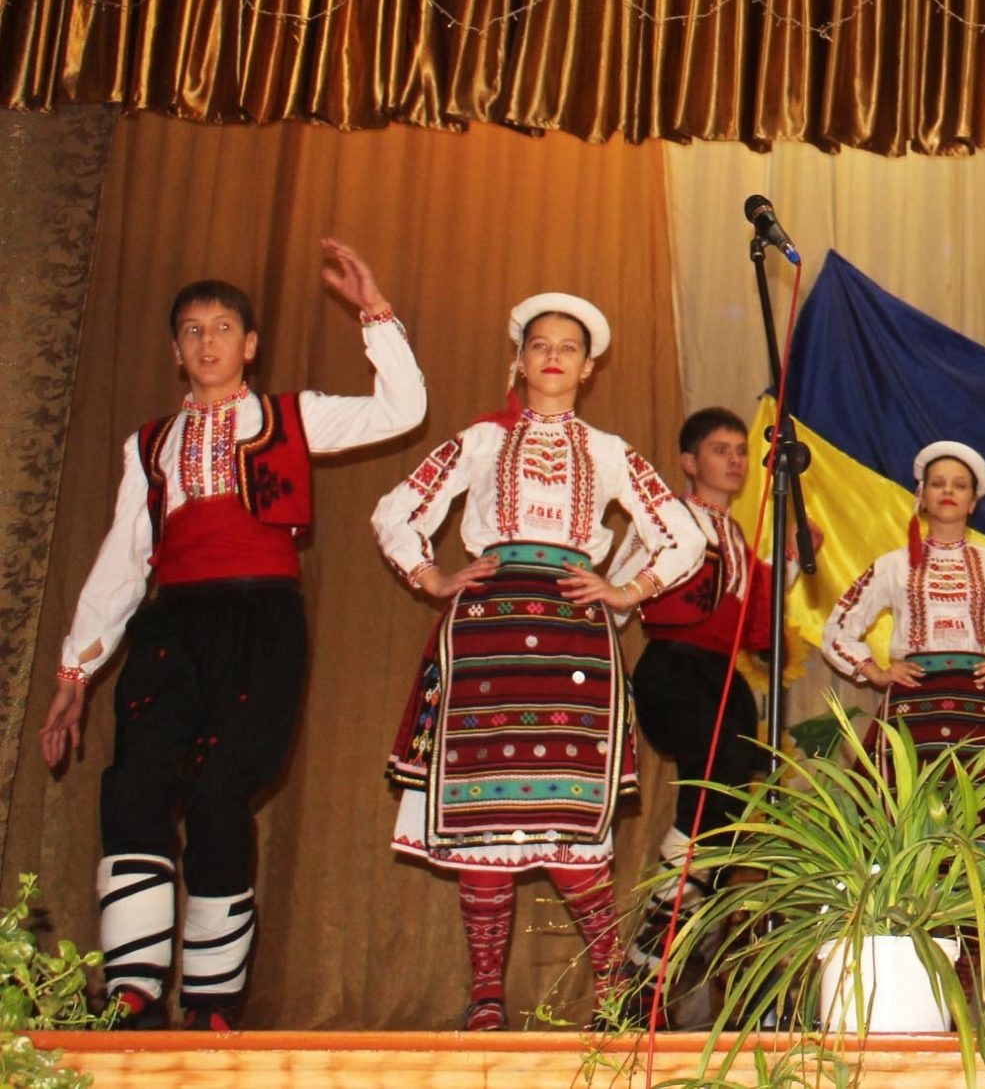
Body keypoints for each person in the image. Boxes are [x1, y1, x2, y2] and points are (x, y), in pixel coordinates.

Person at [39, 243, 426, 1031]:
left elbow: (402, 409)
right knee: (136, 784)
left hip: (261, 621)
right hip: (172, 622)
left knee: (220, 791)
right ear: (174, 350)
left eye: (222, 327)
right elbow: (122, 559)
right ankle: (133, 990)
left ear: (249, 344)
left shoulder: (291, 416)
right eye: (191, 329)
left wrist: (374, 311)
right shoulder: (149, 445)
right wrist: (75, 673)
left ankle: (213, 1003)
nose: (207, 340)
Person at [372, 294, 704, 1032]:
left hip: (571, 641)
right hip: (487, 637)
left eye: (568, 347)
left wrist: (629, 589)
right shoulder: (480, 440)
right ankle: (487, 997)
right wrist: (430, 576)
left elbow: (682, 535)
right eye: (539, 344)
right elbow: (397, 509)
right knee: (483, 821)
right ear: (519, 361)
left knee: (571, 823)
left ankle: (616, 990)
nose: (553, 355)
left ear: (588, 369)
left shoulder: (609, 451)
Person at [613, 406, 776, 990]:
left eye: (740, 451)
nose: (734, 461)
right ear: (689, 461)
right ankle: (652, 954)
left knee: (726, 809)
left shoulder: (739, 537)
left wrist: (780, 565)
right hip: (674, 666)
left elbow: (756, 634)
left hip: (722, 676)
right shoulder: (665, 517)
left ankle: (652, 962)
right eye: (719, 450)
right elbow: (619, 588)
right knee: (713, 788)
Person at [823, 440, 985, 848]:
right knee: (904, 818)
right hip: (911, 703)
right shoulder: (892, 565)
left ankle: (975, 891)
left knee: (976, 820)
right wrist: (875, 672)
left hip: (981, 707)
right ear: (921, 496)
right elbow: (837, 628)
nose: (948, 491)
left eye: (959, 485)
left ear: (973, 502)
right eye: (938, 483)